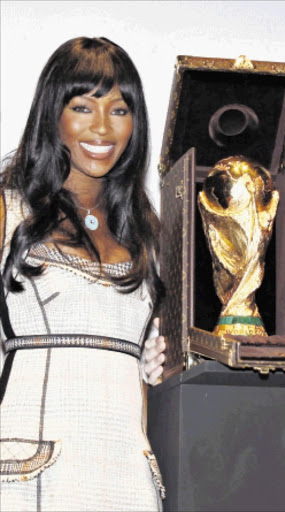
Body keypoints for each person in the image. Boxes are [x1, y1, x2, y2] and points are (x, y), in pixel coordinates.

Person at [0, 36, 166, 511]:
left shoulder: (146, 236)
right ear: (53, 115)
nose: (102, 127)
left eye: (118, 110)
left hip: (126, 476)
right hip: (31, 473)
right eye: (82, 106)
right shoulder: (9, 212)